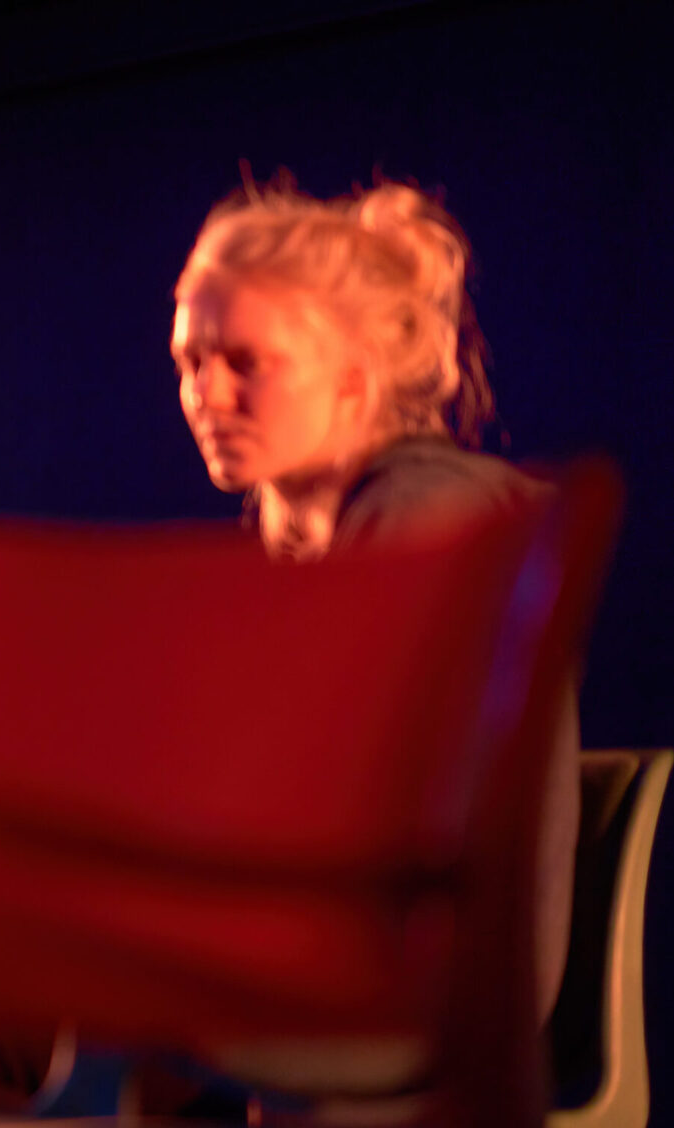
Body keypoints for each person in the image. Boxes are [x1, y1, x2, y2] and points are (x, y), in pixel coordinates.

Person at [168, 174, 580, 1020]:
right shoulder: (367, 526)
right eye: (190, 362)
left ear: (354, 379)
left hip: (404, 998)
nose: (205, 395)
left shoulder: (428, 512)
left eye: (245, 362)